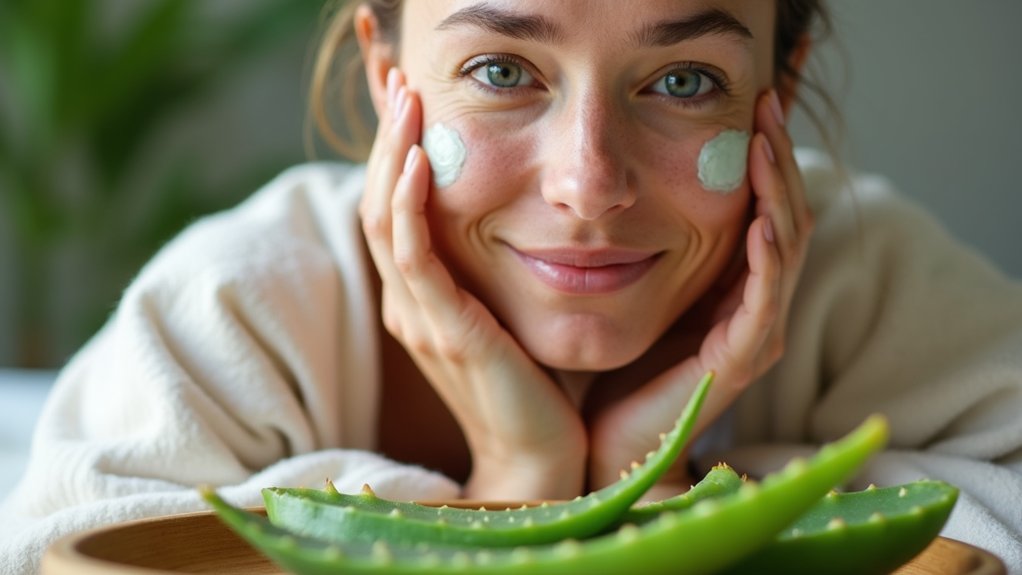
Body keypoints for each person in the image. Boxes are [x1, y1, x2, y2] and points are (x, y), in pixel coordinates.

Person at [2, 1, 1021, 573]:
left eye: (683, 81)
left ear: (777, 91)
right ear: (386, 75)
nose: (588, 182)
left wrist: (646, 485)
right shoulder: (241, 305)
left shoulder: (869, 277)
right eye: (500, 70)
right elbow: (65, 546)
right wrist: (520, 479)